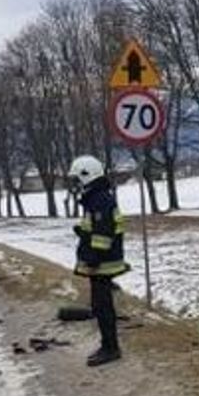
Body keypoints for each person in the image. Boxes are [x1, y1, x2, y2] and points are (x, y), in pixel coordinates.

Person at [69, 155, 130, 368]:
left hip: (103, 263)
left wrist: (93, 255)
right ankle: (108, 345)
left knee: (104, 307)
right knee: (100, 305)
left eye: (78, 178)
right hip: (101, 261)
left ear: (87, 175)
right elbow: (96, 228)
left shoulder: (100, 199)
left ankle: (111, 348)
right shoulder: (96, 197)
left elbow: (104, 232)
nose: (76, 183)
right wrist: (84, 234)